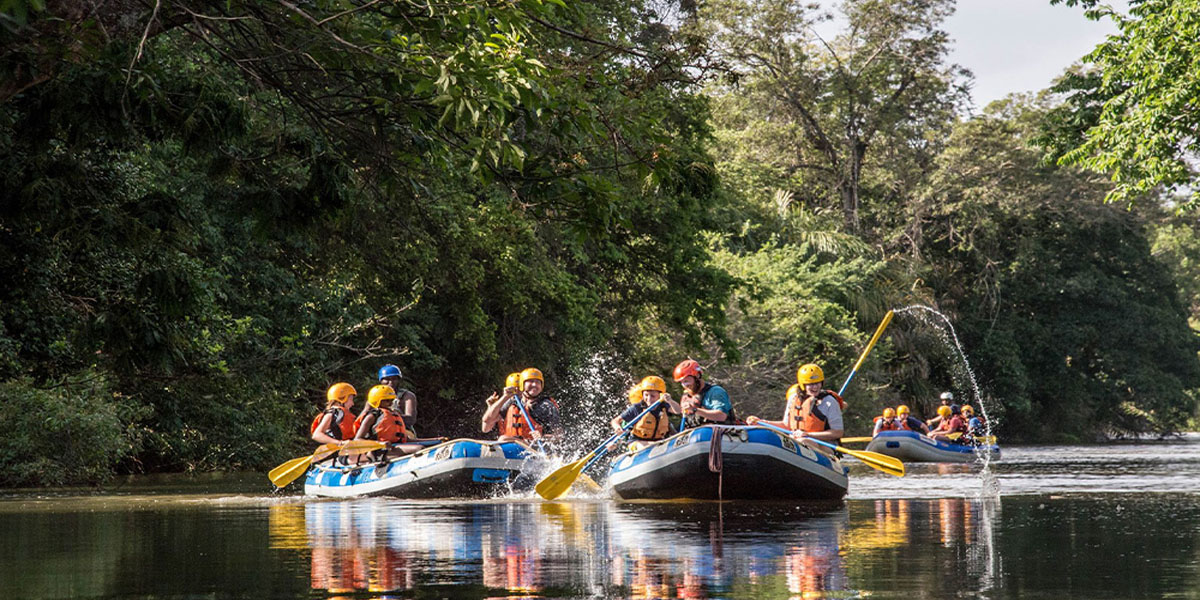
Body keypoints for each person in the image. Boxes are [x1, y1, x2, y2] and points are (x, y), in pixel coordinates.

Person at [746, 363, 843, 445]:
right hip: (798, 442)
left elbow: (837, 433)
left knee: (803, 441)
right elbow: (786, 425)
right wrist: (761, 422)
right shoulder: (794, 398)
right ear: (803, 385)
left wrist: (808, 435)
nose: (815, 387)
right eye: (810, 384)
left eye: (818, 383)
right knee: (794, 441)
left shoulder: (829, 402)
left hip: (824, 445)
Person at [354, 385, 444, 458]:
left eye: (392, 400)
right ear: (377, 402)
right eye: (387, 401)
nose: (390, 403)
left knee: (436, 444)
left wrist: (434, 440)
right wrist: (379, 444)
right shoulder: (372, 416)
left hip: (397, 446)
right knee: (419, 448)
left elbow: (407, 439)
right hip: (381, 450)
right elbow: (358, 439)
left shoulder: (394, 414)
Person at [480, 367, 561, 445]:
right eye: (531, 381)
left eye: (538, 382)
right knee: (503, 439)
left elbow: (559, 436)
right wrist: (504, 397)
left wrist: (543, 437)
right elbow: (486, 424)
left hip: (536, 447)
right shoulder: (513, 402)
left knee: (503, 439)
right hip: (516, 446)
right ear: (522, 384)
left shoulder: (546, 406)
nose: (535, 384)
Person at [612, 375, 682, 451]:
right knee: (651, 446)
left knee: (660, 445)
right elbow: (615, 421)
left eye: (653, 396)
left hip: (659, 441)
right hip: (637, 442)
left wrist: (670, 401)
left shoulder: (664, 405)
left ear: (660, 395)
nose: (649, 399)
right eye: (646, 395)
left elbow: (678, 411)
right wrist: (617, 427)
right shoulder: (637, 408)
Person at [673, 359, 735, 428]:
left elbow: (721, 416)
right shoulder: (687, 396)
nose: (685, 385)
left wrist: (695, 410)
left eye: (686, 381)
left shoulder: (715, 391)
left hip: (720, 434)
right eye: (682, 382)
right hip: (696, 435)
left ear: (697, 376)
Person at [377, 364, 417, 432]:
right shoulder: (375, 395)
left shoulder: (407, 396)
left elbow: (411, 420)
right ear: (381, 381)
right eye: (387, 379)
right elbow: (365, 413)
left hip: (403, 431)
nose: (391, 382)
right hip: (380, 430)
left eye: (394, 379)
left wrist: (389, 417)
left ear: (398, 380)